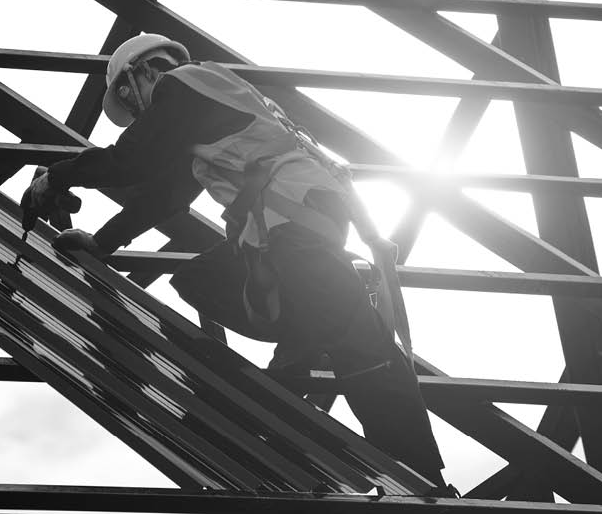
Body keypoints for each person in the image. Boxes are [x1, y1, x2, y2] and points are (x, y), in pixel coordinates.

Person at [24, 33, 446, 487]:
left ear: (142, 72)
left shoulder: (180, 85)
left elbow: (132, 161)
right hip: (295, 225)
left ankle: (425, 483)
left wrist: (57, 179)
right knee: (202, 278)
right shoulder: (209, 102)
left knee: (365, 352)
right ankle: (310, 337)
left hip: (293, 228)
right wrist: (102, 242)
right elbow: (167, 196)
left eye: (130, 100)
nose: (138, 114)